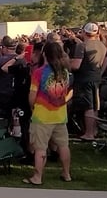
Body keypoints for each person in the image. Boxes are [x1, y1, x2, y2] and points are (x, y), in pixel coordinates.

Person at [24, 42, 73, 185]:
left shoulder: (39, 72)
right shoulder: (65, 71)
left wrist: (32, 107)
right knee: (63, 145)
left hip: (42, 114)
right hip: (60, 114)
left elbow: (32, 94)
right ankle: (66, 173)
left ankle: (37, 177)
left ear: (44, 54)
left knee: (40, 148)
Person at [72, 23, 107, 141]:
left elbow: (76, 65)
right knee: (95, 106)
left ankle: (89, 133)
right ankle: (94, 130)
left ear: (84, 32)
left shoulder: (82, 45)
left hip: (84, 79)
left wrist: (67, 62)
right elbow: (104, 63)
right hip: (96, 77)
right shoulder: (103, 45)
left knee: (88, 107)